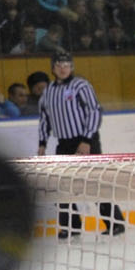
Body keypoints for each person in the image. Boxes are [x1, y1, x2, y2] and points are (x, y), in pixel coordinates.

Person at [37, 49, 112, 235]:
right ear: (53, 68)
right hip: (64, 142)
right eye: (59, 65)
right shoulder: (48, 92)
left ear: (72, 67)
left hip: (85, 140)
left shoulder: (81, 86)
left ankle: (114, 223)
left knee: (94, 183)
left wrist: (87, 140)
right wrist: (42, 143)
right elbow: (44, 119)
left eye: (66, 65)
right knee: (60, 185)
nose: (63, 69)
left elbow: (94, 111)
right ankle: (71, 226)